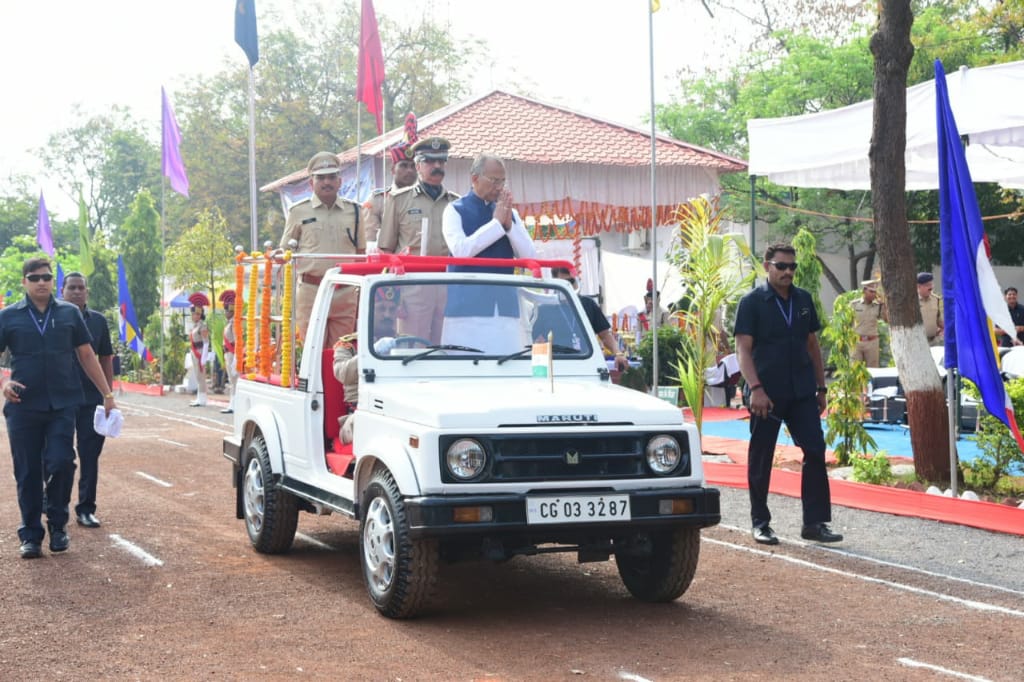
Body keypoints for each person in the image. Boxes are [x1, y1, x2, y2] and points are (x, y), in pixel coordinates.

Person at [1, 258, 116, 558]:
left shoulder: (68, 314)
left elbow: (88, 355)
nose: (41, 282)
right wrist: (3, 384)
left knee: (62, 462)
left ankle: (58, 525)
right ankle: (30, 535)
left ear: (53, 281)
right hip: (23, 406)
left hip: (64, 404)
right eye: (35, 277)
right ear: (24, 282)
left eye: (47, 277)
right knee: (27, 472)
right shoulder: (8, 317)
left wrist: (107, 393)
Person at [734, 244, 841, 546]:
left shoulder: (803, 300)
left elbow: (812, 346)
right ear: (767, 266)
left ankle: (814, 523)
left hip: (802, 391)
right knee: (761, 456)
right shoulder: (752, 302)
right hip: (766, 393)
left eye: (792, 266)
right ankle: (760, 523)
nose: (788, 272)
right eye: (781, 266)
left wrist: (821, 387)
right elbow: (742, 349)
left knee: (816, 450)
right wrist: (756, 389)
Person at [441, 153, 537, 354]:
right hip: (467, 309)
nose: (499, 187)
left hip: (504, 307)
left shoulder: (509, 212)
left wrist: (509, 226)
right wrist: (496, 225)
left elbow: (530, 256)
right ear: (475, 178)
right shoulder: (454, 210)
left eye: (503, 181)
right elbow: (461, 251)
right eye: (494, 180)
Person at [379, 136, 460, 343]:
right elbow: (386, 250)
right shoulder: (399, 200)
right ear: (418, 165)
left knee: (446, 349)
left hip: (447, 286)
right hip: (412, 289)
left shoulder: (456, 203)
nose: (437, 166)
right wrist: (394, 297)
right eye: (430, 162)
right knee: (412, 349)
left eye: (441, 162)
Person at [280, 151, 364, 343]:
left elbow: (361, 253)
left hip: (345, 292)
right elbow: (286, 252)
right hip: (311, 290)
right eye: (321, 178)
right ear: (311, 183)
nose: (327, 182)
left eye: (332, 177)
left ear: (340, 181)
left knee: (341, 351)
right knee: (312, 349)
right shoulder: (298, 211)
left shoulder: (355, 211)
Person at [61, 273, 114, 529]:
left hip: (91, 398)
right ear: (62, 291)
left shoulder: (99, 322)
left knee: (90, 455)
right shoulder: (53, 320)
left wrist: (109, 395)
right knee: (58, 455)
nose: (77, 291)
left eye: (81, 288)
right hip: (59, 397)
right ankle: (54, 505)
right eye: (72, 287)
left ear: (87, 292)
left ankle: (86, 508)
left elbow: (105, 358)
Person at [332, 285, 401, 444]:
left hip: (400, 410)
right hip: (359, 414)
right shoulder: (350, 345)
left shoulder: (406, 343)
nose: (387, 315)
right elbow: (342, 373)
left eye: (392, 310)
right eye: (381, 309)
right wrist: (370, 352)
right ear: (368, 312)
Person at [548, 266, 628, 370]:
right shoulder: (547, 306)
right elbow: (537, 341)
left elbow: (605, 335)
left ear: (577, 281)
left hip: (587, 363)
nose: (568, 286)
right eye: (562, 283)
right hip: (557, 366)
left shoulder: (588, 304)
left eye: (571, 281)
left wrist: (618, 353)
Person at [363, 113, 419, 245]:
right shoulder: (378, 200)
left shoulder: (424, 199)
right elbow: (369, 239)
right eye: (404, 166)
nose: (409, 170)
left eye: (413, 166)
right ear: (393, 169)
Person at [850, 279, 887, 367]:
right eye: (871, 291)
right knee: (855, 369)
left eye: (875, 292)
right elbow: (847, 323)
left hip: (872, 342)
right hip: (856, 342)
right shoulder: (854, 305)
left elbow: (886, 320)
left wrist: (884, 305)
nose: (873, 294)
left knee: (873, 370)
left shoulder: (878, 306)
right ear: (864, 291)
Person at [188, 292, 211, 407]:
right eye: (192, 314)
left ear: (199, 315)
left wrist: (204, 357)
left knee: (201, 376)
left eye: (195, 314)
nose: (193, 316)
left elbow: (206, 342)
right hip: (194, 351)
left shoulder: (203, 326)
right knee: (197, 375)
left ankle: (202, 399)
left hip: (200, 352)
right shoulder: (195, 326)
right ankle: (199, 397)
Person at [219, 290, 239, 413]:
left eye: (227, 310)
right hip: (228, 353)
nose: (225, 313)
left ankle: (234, 403)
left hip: (232, 353)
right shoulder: (228, 324)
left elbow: (237, 341)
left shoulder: (234, 324)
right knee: (231, 380)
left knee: (234, 380)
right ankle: (232, 402)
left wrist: (236, 359)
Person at [917, 272, 944, 347]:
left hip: (935, 342)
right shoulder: (912, 302)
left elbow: (938, 320)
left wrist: (945, 329)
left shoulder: (935, 299)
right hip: (919, 344)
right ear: (918, 286)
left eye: (931, 284)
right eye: (927, 285)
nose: (931, 288)